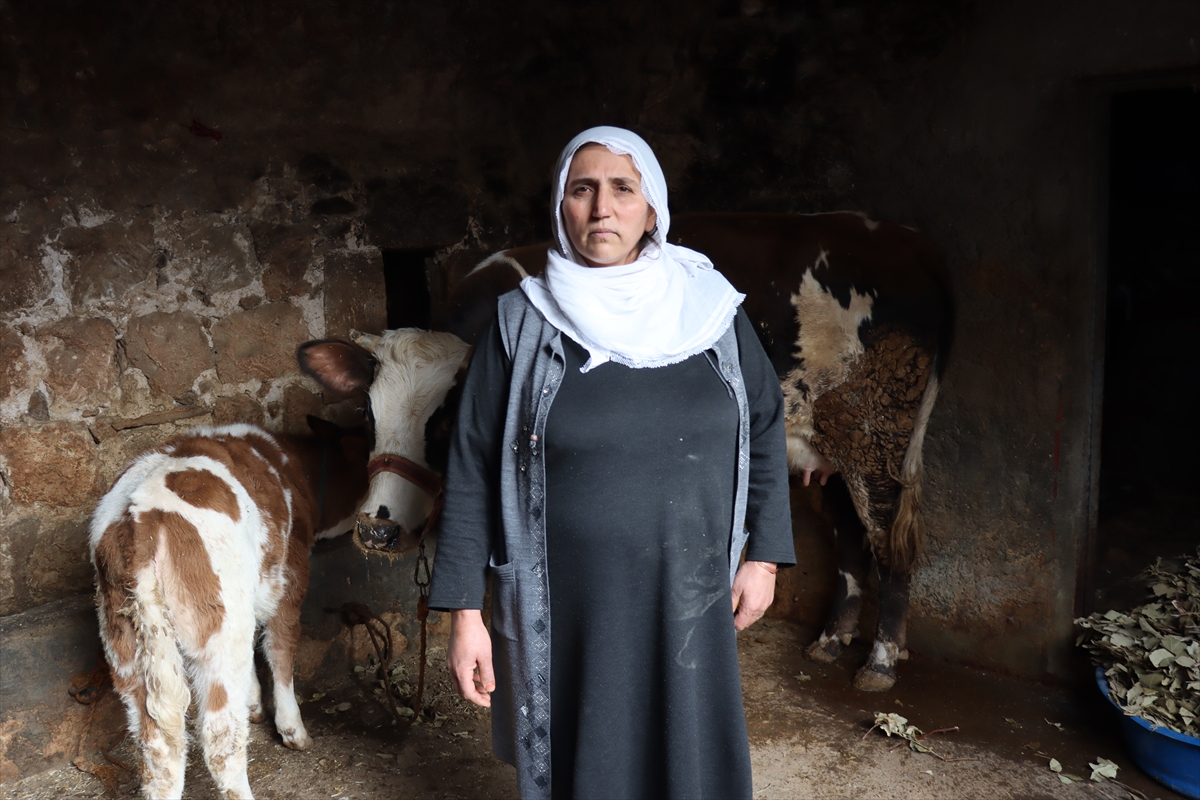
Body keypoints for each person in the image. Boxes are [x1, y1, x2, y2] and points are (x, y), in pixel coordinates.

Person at [427, 126, 795, 800]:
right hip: (569, 606)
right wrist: (464, 613)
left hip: (691, 593)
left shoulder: (711, 310)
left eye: (623, 188)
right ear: (560, 208)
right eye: (582, 189)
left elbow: (764, 425)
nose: (602, 208)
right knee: (590, 760)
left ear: (652, 209)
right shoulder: (521, 323)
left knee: (690, 756)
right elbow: (473, 467)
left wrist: (765, 558)